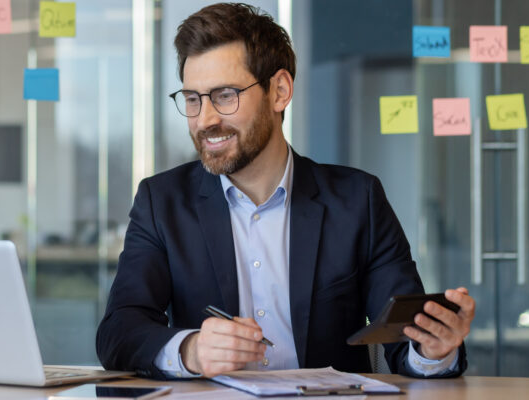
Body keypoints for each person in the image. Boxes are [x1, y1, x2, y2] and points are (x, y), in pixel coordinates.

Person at [96, 2, 474, 379]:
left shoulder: (358, 201)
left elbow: (405, 339)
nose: (205, 120)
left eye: (225, 95)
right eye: (193, 100)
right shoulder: (162, 203)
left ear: (279, 91)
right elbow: (119, 331)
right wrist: (190, 350)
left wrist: (433, 350)